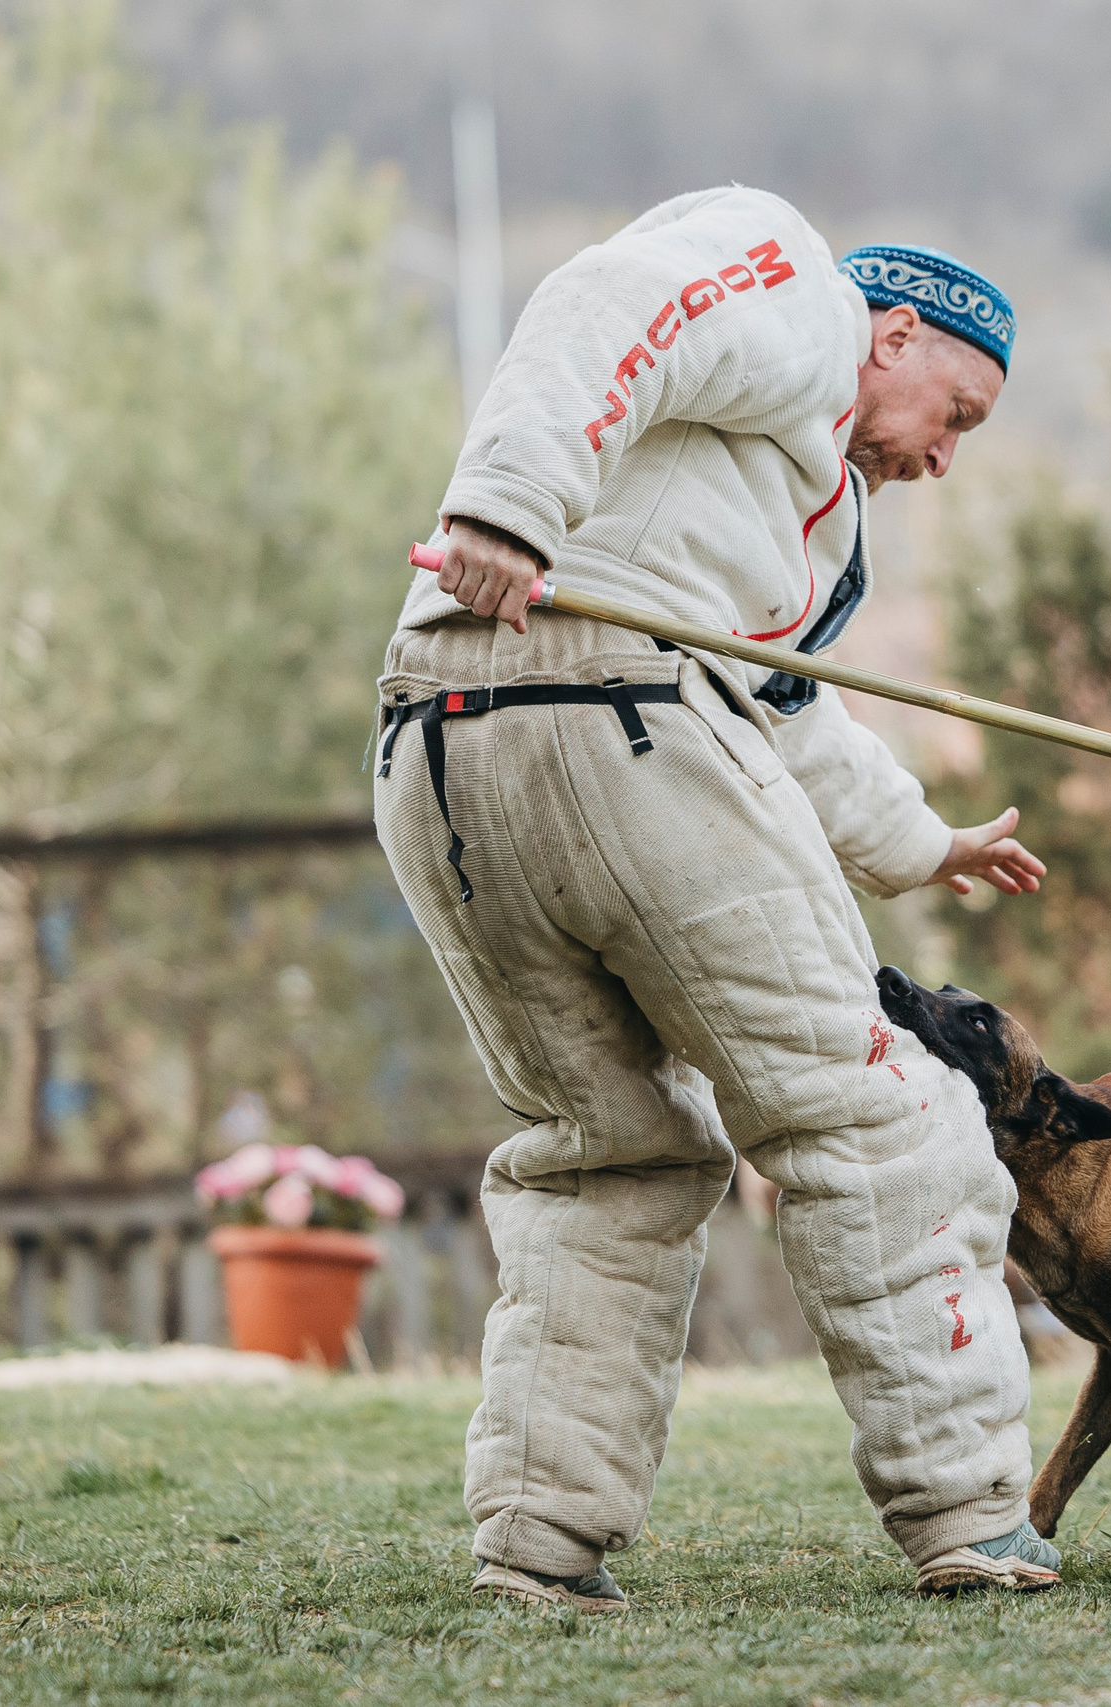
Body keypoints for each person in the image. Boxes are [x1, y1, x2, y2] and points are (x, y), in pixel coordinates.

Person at [371, 184, 1060, 1612]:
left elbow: (781, 709)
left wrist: (924, 842)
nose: (943, 457)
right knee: (881, 1112)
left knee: (608, 1151)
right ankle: (972, 1515)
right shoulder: (796, 285)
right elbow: (606, 304)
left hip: (436, 739)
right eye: (957, 414)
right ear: (894, 333)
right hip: (618, 713)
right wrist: (506, 500)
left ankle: (539, 1540)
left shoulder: (775, 500)